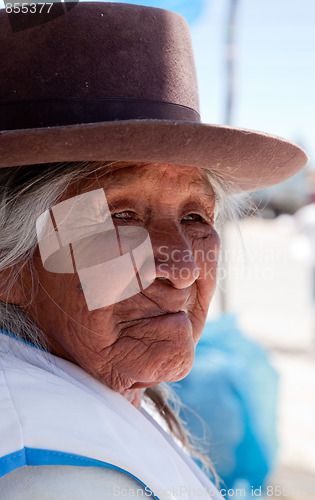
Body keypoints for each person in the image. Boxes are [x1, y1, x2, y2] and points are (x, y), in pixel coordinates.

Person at [0, 2, 308, 499]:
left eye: (195, 217)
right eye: (122, 217)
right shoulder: (54, 472)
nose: (184, 270)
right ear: (8, 262)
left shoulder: (84, 403)